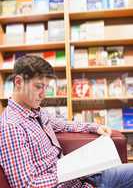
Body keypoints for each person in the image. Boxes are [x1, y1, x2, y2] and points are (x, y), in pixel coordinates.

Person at [0, 55, 133, 188]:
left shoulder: (35, 111)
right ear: (18, 82)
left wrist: (94, 127)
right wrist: (68, 172)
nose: (43, 94)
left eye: (46, 87)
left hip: (86, 178)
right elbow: (26, 185)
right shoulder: (11, 126)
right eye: (38, 86)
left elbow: (62, 124)